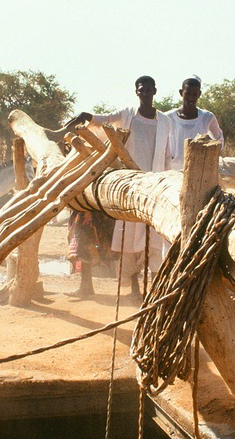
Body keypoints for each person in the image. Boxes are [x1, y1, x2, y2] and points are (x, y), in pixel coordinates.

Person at [71, 76, 172, 299]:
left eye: (148, 90)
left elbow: (167, 152)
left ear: (155, 91)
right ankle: (135, 289)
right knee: (128, 235)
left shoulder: (165, 121)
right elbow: (102, 120)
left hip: (153, 183)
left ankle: (154, 289)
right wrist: (84, 117)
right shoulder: (128, 115)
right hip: (130, 182)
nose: (145, 94)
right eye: (141, 90)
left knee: (153, 237)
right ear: (137, 92)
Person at [166, 75, 224, 170]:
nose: (191, 98)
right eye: (188, 94)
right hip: (173, 171)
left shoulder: (207, 117)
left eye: (194, 94)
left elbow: (219, 142)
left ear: (199, 94)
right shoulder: (168, 117)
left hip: (198, 171)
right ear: (181, 93)